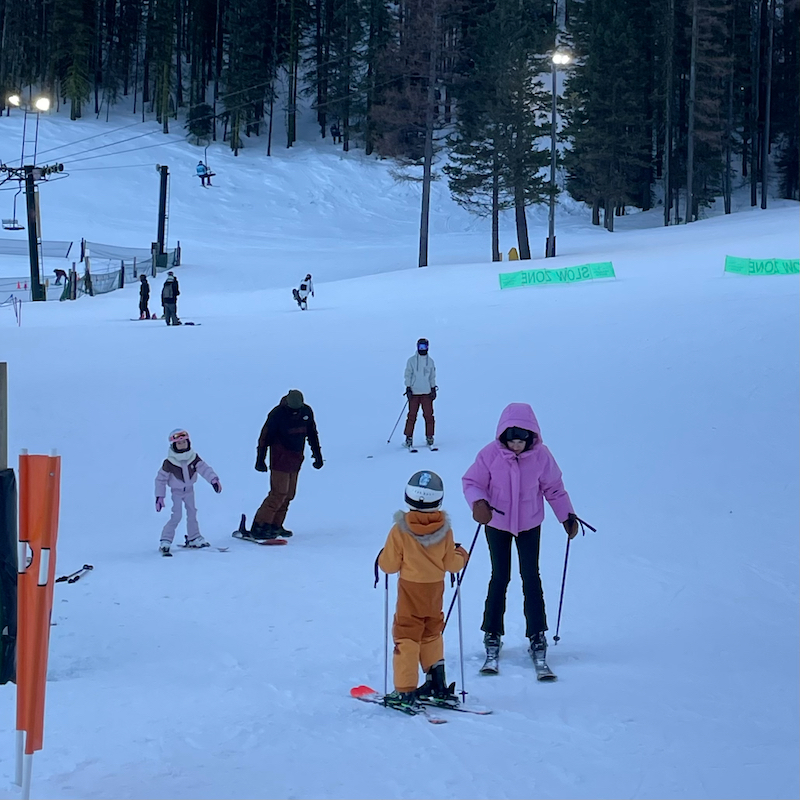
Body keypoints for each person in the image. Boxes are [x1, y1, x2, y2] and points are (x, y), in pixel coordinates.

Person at [461, 402, 580, 668]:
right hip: (497, 524)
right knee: (500, 576)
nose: (516, 446)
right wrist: (479, 503)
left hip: (529, 524)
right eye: (512, 441)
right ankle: (492, 633)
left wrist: (567, 516)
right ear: (503, 436)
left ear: (531, 437)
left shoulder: (541, 456)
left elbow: (554, 488)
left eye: (521, 441)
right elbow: (472, 482)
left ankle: (537, 634)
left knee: (531, 576)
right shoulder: (490, 454)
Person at [378, 471, 468, 711]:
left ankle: (405, 691)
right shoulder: (445, 531)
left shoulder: (400, 530)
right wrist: (461, 554)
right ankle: (437, 683)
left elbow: (389, 565)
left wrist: (382, 556)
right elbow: (452, 564)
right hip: (434, 591)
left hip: (410, 591)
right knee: (431, 633)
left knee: (407, 636)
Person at [251, 390, 323, 539]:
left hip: (296, 459)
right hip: (279, 459)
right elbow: (265, 437)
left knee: (289, 494)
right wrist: (260, 459)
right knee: (279, 493)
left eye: (298, 410)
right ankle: (260, 525)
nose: (295, 413)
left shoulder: (306, 412)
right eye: (292, 410)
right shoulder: (277, 414)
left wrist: (317, 455)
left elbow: (312, 434)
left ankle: (275, 525)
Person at [155, 429, 222, 555]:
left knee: (192, 513)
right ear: (174, 445)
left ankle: (194, 537)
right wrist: (160, 496)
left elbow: (204, 468)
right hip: (177, 491)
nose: (182, 445)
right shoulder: (169, 462)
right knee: (177, 515)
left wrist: (213, 479)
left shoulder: (193, 457)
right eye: (179, 443)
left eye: (184, 442)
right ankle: (165, 540)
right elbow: (160, 479)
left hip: (190, 490)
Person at [403, 338, 437, 448]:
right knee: (411, 416)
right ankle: (409, 437)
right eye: (420, 347)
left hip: (426, 393)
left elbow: (432, 376)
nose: (422, 349)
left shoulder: (430, 362)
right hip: (414, 393)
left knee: (429, 416)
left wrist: (432, 389)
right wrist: (408, 387)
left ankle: (430, 436)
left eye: (424, 347)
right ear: (417, 347)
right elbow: (408, 374)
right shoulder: (411, 361)